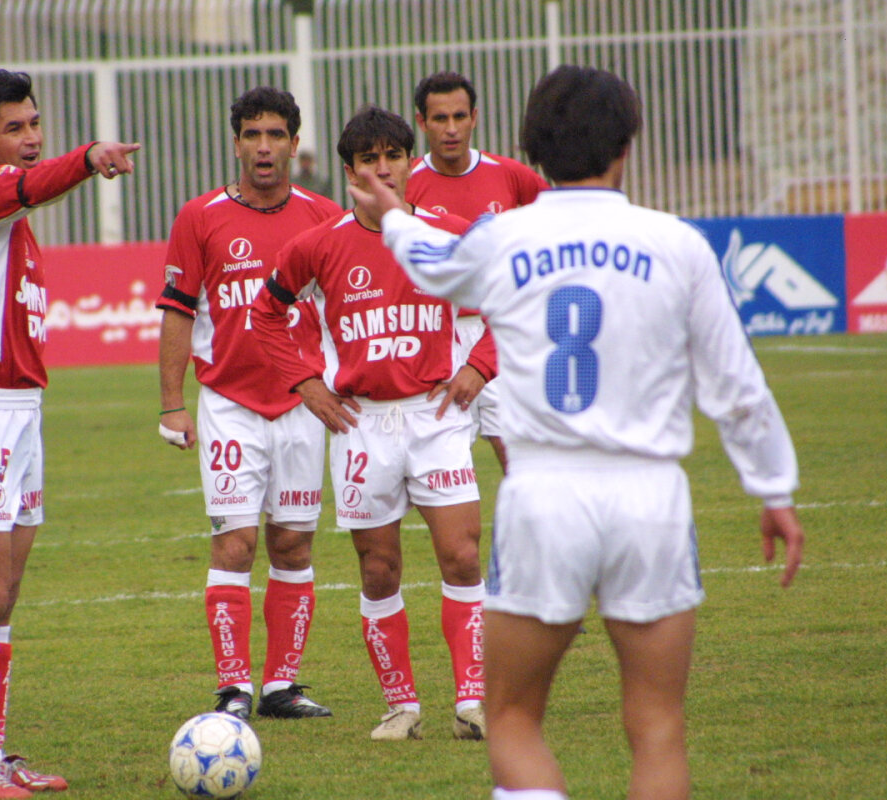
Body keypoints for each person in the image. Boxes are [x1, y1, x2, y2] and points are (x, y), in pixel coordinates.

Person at [354, 65, 805, 799]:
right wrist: (774, 488)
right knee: (657, 726)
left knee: (512, 718)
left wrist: (394, 213)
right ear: (626, 145)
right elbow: (737, 386)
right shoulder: (677, 243)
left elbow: (432, 265)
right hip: (650, 498)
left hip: (545, 495)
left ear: (532, 149)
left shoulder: (504, 237)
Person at [0, 68, 139, 799]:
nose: (31, 137)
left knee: (4, 597)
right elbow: (31, 183)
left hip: (18, 414)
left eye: (34, 122)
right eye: (13, 128)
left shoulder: (11, 224)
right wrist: (89, 157)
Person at [250, 105, 497, 742]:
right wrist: (306, 383)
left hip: (436, 418)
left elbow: (512, 296)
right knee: (379, 568)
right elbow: (264, 314)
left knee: (462, 556)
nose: (382, 169)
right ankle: (401, 706)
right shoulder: (320, 243)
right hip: (361, 424)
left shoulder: (447, 234)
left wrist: (480, 366)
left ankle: (473, 702)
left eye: (393, 156)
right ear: (349, 171)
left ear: (411, 163)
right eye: (368, 159)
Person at [155, 86, 343, 722]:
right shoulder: (199, 217)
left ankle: (281, 686)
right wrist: (172, 403)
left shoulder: (323, 217)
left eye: (276, 135)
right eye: (253, 135)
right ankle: (233, 686)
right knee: (234, 545)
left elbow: (342, 308)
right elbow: (178, 311)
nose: (264, 147)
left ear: (294, 143)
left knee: (293, 544)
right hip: (230, 403)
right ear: (235, 143)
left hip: (301, 405)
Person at [406, 71, 550, 473]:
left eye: (459, 117)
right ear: (422, 122)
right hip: (436, 336)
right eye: (440, 119)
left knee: (522, 462)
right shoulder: (406, 182)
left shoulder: (510, 175)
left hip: (500, 333)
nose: (451, 129)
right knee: (440, 471)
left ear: (474, 117)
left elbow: (557, 223)